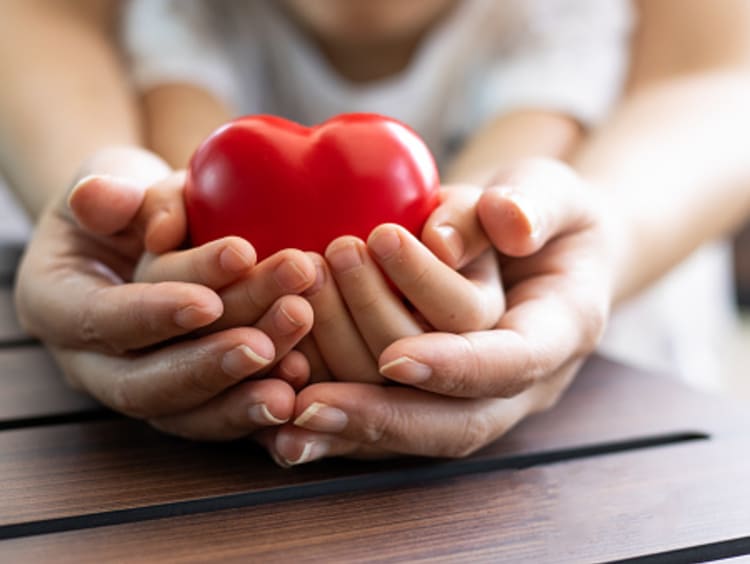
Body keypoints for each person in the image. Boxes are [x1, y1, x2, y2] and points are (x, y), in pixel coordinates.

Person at [2, 0, 750, 466]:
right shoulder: (182, 17)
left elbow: (475, 214)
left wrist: (477, 254)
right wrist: (130, 224)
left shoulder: (560, 21)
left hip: (613, 404)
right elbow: (183, 189)